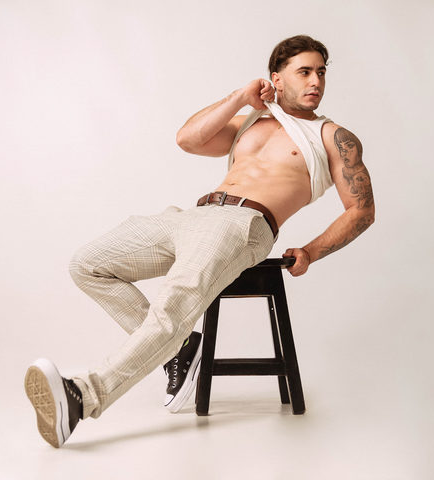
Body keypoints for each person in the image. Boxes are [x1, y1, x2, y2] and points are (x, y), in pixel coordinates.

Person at [24, 34, 375, 448]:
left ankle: (82, 398)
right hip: (194, 215)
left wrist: (311, 251)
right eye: (305, 72)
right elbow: (187, 138)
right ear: (277, 79)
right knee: (88, 265)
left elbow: (361, 210)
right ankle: (180, 350)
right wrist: (241, 97)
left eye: (321, 72)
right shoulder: (250, 121)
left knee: (173, 306)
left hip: (244, 224)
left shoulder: (333, 137)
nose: (316, 81)